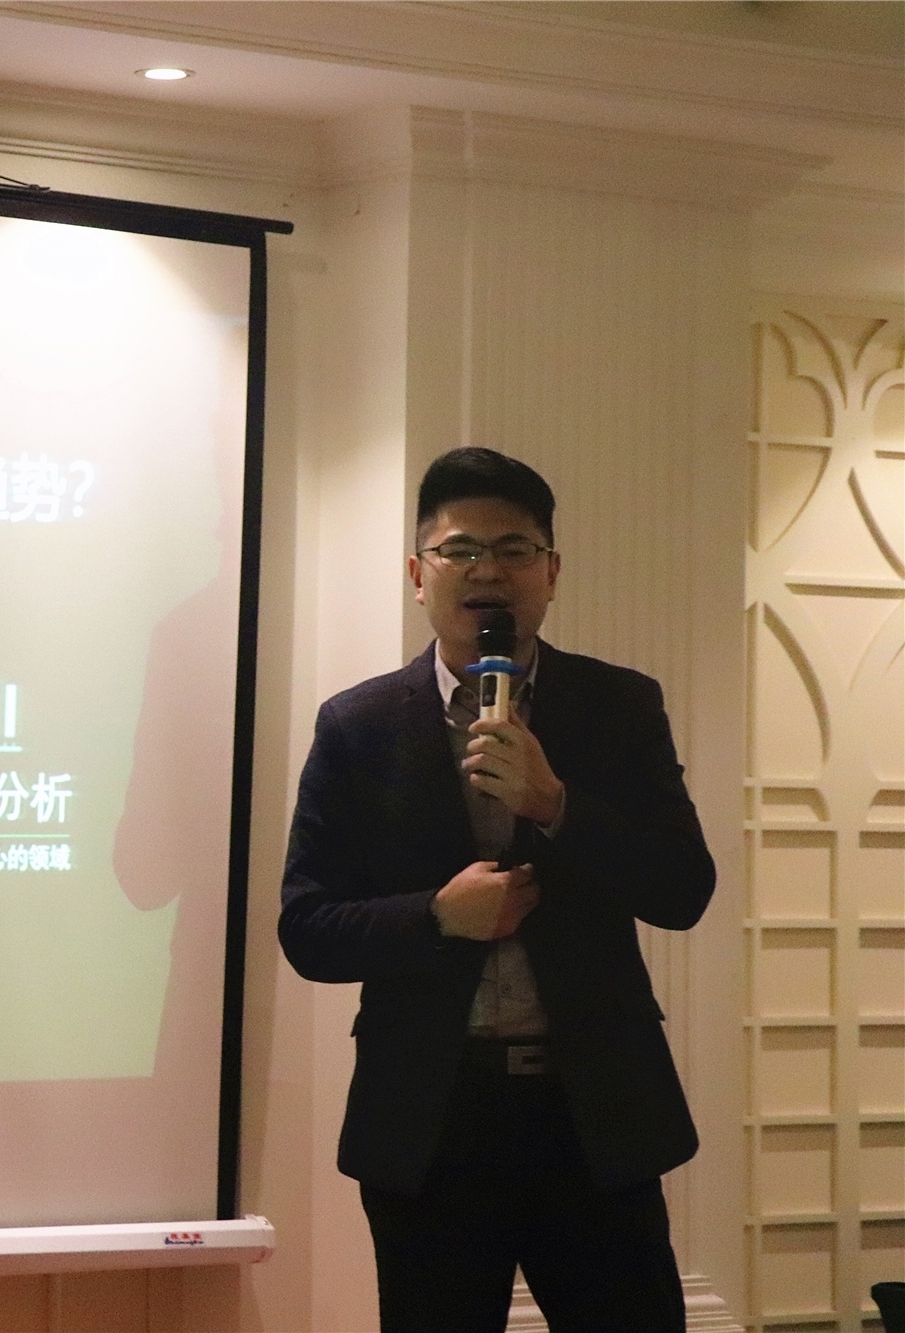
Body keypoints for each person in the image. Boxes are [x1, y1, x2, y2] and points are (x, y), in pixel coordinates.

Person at [278, 447, 715, 1332]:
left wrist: (558, 806)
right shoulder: (359, 726)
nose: (488, 572)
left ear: (551, 572)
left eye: (515, 550)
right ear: (418, 574)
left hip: (593, 1114)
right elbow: (309, 927)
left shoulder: (619, 707)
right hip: (433, 1120)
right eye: (461, 550)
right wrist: (437, 915)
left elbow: (683, 888)